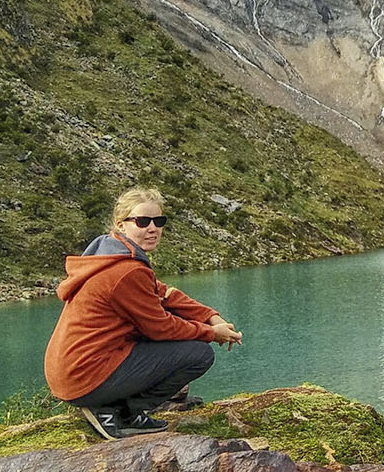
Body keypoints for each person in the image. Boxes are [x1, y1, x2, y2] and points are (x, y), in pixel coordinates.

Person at [43, 187, 243, 439]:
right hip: (84, 375)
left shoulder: (111, 254)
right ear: (121, 224)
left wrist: (209, 315)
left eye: (159, 221)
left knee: (168, 339)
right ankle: (118, 412)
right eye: (142, 221)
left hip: (71, 371)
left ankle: (115, 405)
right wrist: (211, 333)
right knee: (198, 353)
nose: (153, 228)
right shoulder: (126, 270)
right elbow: (161, 327)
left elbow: (164, 293)